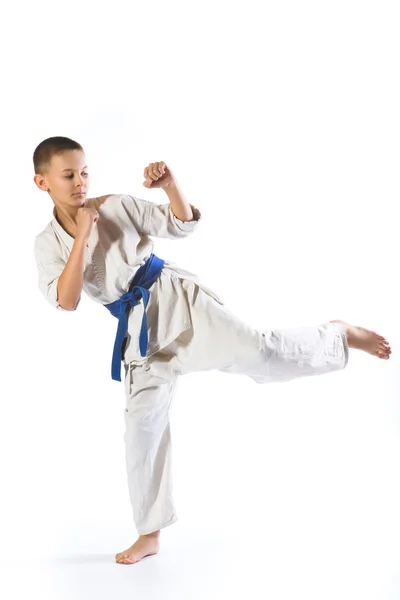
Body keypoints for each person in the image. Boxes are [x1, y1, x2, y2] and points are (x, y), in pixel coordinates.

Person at [33, 136, 391, 565]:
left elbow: (181, 224)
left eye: (85, 172)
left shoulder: (115, 205)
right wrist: (82, 236)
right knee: (140, 429)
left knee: (261, 356)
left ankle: (337, 334)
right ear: (42, 182)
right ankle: (149, 533)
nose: (80, 182)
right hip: (137, 332)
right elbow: (67, 300)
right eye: (69, 175)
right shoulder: (47, 243)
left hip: (177, 301)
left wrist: (170, 185)